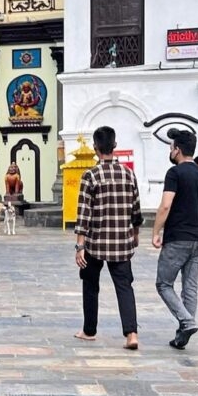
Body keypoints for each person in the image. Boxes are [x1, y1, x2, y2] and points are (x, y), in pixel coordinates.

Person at [73, 126, 142, 349]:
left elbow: (83, 213)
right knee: (124, 286)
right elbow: (136, 209)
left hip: (95, 242)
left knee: (90, 284)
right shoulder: (128, 174)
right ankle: (131, 334)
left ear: (95, 148)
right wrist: (135, 233)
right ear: (114, 146)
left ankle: (89, 330)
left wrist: (79, 246)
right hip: (121, 242)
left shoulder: (90, 176)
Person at [152, 129, 198, 349]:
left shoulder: (175, 173)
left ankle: (186, 321)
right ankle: (182, 335)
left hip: (178, 237)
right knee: (190, 288)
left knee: (164, 284)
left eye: (171, 147)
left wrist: (156, 231)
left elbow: (166, 204)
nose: (170, 151)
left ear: (177, 150)